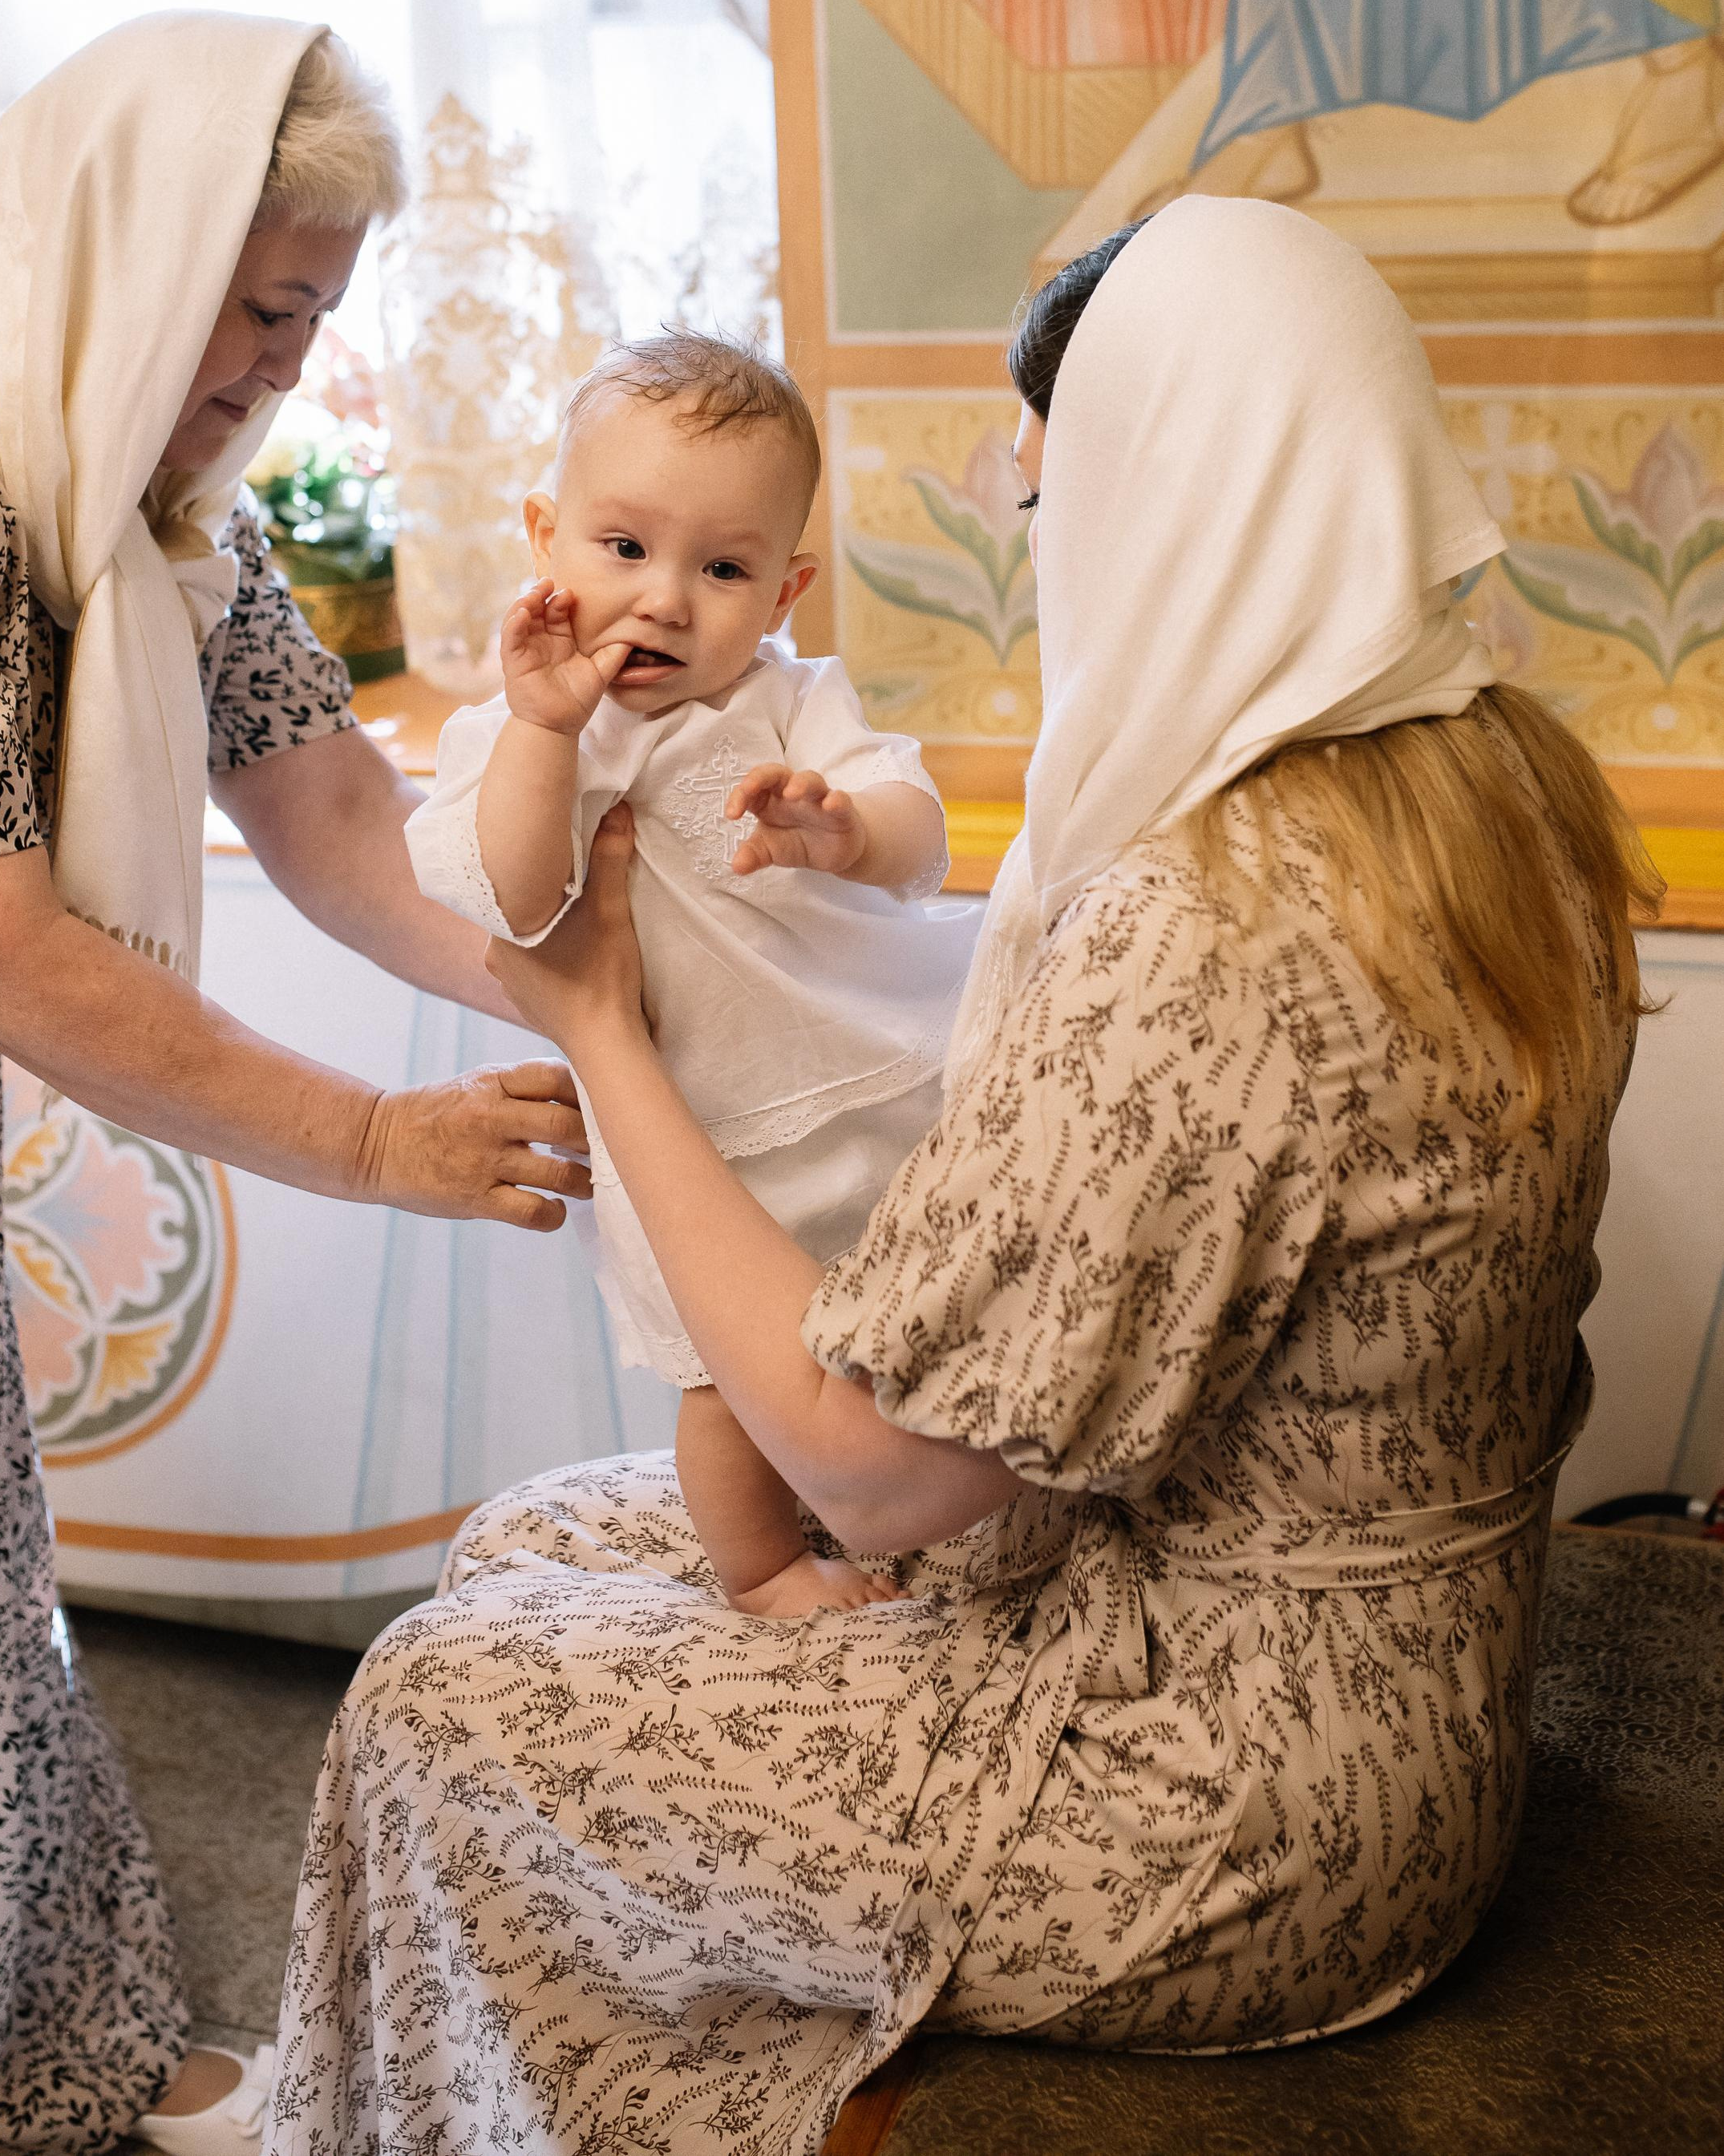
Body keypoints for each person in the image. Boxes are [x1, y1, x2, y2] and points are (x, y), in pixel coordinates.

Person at [266, 196, 1653, 2156]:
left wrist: (595, 1021)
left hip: (1233, 1780)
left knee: (440, 1694)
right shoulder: (1498, 773)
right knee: (530, 1546)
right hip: (1383, 1672)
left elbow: (880, 1471)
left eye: (1044, 501)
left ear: (1159, 496)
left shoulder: (1210, 920)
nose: (1047, 546)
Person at [0, 14, 589, 2156]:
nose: (283, 368)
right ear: (132, 249)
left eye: (315, 320)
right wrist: (382, 1137)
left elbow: (321, 803)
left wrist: (578, 999)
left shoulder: (133, 472)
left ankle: (26, 2044)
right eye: (268, 308)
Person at [405, 332, 980, 1616]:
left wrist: (843, 826)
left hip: (878, 1072)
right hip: (695, 1141)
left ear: (784, 592)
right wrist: (548, 733)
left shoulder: (790, 704)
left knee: (918, 1304)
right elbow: (516, 895)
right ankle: (766, 1567)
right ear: (545, 537)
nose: (666, 598)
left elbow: (919, 828)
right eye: (625, 550)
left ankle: (934, 1514)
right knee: (727, 1372)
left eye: (721, 568)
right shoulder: (516, 732)